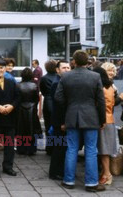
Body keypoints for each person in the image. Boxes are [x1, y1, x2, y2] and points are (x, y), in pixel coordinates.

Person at [55, 50, 106, 192]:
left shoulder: (66, 77)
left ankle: (68, 181)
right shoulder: (95, 76)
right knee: (91, 150)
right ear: (88, 61)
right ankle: (91, 183)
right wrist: (102, 120)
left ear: (74, 62)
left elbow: (58, 98)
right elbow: (101, 101)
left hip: (71, 115)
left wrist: (70, 105)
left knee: (71, 149)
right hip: (91, 117)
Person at [95, 63, 122, 185]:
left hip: (103, 121)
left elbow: (102, 105)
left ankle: (107, 174)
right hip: (109, 120)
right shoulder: (110, 87)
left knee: (104, 150)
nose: (112, 73)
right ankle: (105, 173)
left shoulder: (102, 88)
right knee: (104, 149)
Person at [48, 60, 71, 180]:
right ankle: (55, 172)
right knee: (59, 147)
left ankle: (58, 171)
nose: (67, 70)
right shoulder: (57, 83)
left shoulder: (62, 81)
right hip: (60, 122)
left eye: (68, 68)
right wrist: (63, 122)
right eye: (64, 68)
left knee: (61, 147)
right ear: (57, 70)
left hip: (61, 121)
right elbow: (59, 106)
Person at [15, 68, 41, 155]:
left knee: (21, 129)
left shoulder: (17, 85)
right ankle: (31, 149)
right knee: (32, 129)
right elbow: (37, 99)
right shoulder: (34, 86)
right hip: (32, 109)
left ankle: (21, 148)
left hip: (20, 109)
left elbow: (16, 98)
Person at [39, 60, 58, 155]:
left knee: (48, 126)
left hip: (47, 101)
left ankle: (49, 147)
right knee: (56, 126)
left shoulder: (43, 78)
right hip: (56, 102)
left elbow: (42, 90)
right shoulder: (58, 78)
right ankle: (56, 147)